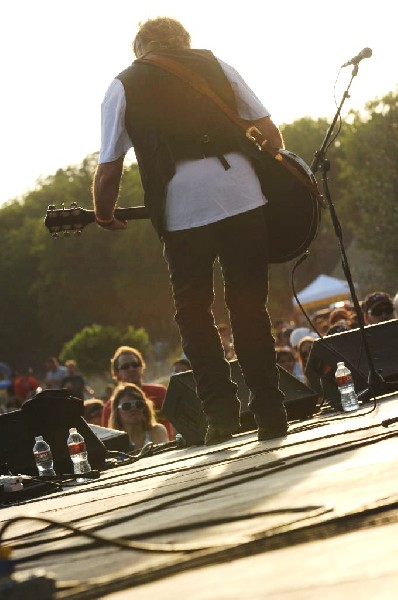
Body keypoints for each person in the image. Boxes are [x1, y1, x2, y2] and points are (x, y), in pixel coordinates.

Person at [93, 17, 288, 445]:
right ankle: (272, 414)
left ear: (139, 48)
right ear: (184, 42)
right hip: (242, 195)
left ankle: (221, 417)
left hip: (182, 207)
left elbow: (110, 168)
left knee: (194, 312)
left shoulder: (124, 83)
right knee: (248, 305)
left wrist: (104, 214)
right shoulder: (217, 65)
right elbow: (272, 136)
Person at [101, 346, 173, 439]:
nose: (131, 369)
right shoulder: (109, 407)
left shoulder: (160, 392)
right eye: (125, 367)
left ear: (142, 367)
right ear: (116, 373)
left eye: (135, 364)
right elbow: (109, 440)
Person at [108, 382, 168, 450]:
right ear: (117, 412)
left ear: (145, 408)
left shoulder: (157, 431)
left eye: (138, 404)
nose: (134, 408)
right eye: (126, 406)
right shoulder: (114, 442)